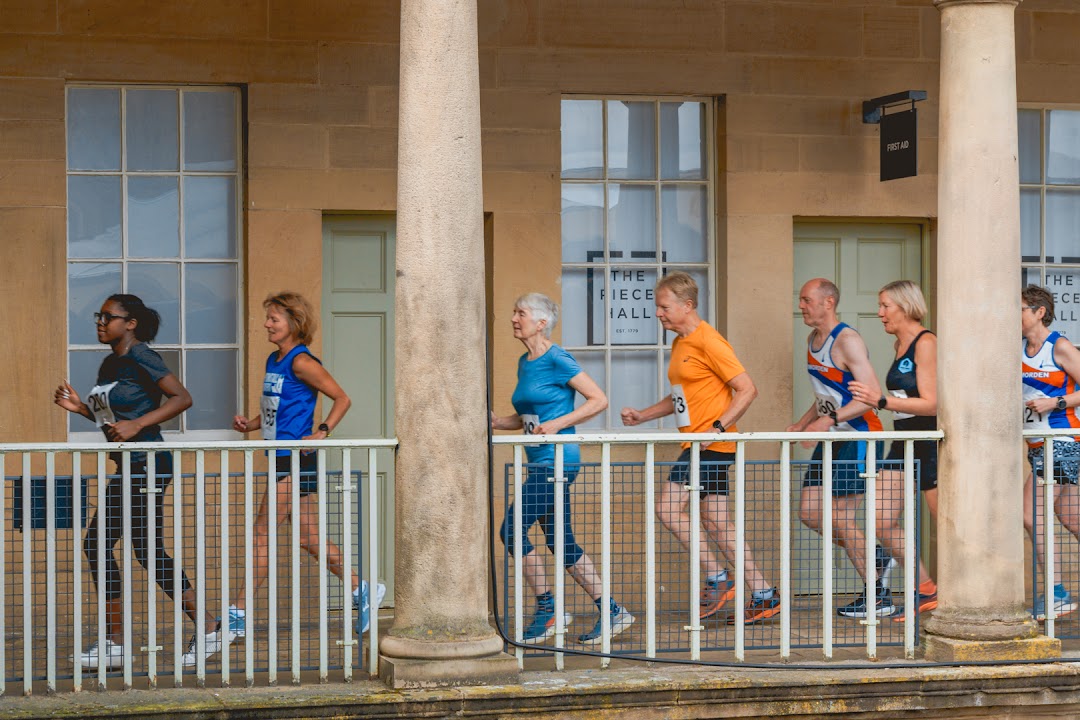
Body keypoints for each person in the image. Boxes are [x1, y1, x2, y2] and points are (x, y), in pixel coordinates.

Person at [54, 294, 221, 669]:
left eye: (108, 317)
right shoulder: (109, 364)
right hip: (129, 464)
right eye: (99, 315)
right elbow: (112, 423)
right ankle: (199, 627)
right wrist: (80, 408)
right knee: (136, 550)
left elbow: (182, 398)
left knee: (106, 545)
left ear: (130, 324)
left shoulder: (141, 355)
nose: (100, 321)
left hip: (148, 464)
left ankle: (126, 641)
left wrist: (140, 424)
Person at [227, 292, 385, 642]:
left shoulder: (301, 361)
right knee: (308, 538)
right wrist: (250, 426)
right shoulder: (274, 359)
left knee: (261, 531)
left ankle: (237, 612)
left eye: (274, 319)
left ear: (294, 323)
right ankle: (364, 589)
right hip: (280, 453)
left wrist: (322, 432)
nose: (267, 324)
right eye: (267, 318)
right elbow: (278, 410)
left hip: (295, 457)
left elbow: (342, 398)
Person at [621, 272, 778, 625]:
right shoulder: (681, 343)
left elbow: (747, 388)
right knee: (718, 524)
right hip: (699, 444)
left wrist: (717, 427)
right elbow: (682, 397)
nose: (658, 313)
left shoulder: (710, 341)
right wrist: (643, 415)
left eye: (664, 307)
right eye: (657, 307)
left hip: (712, 445)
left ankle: (717, 578)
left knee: (667, 508)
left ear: (687, 305)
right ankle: (765, 594)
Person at [492, 292, 634, 645]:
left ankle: (549, 610)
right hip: (539, 462)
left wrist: (558, 425)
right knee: (562, 542)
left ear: (541, 322)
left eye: (520, 312)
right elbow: (529, 417)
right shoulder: (526, 362)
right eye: (514, 311)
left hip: (558, 462)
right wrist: (496, 421)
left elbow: (598, 400)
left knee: (511, 531)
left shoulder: (558, 358)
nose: (513, 318)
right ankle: (614, 611)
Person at [788, 278, 894, 619]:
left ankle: (878, 596)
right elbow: (825, 394)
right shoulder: (812, 339)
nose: (801, 305)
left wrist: (825, 421)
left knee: (840, 517)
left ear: (828, 302)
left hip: (859, 437)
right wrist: (805, 422)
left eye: (807, 300)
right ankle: (875, 556)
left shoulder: (847, 340)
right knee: (809, 512)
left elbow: (871, 396)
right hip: (833, 436)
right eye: (801, 300)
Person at [847, 280, 939, 622]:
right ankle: (926, 588)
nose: (880, 312)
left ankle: (964, 599)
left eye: (886, 305)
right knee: (880, 519)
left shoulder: (925, 343)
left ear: (905, 306)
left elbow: (932, 403)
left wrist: (881, 401)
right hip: (902, 442)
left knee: (944, 525)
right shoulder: (898, 345)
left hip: (928, 442)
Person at [1020, 285, 1080, 621]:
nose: (1015, 315)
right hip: (1038, 446)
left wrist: (1054, 402)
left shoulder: (1059, 346)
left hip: (1061, 443)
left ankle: (1057, 592)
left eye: (1020, 308)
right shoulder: (1019, 349)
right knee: (1071, 517)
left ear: (1039, 312)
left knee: (1031, 514)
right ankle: (1057, 591)